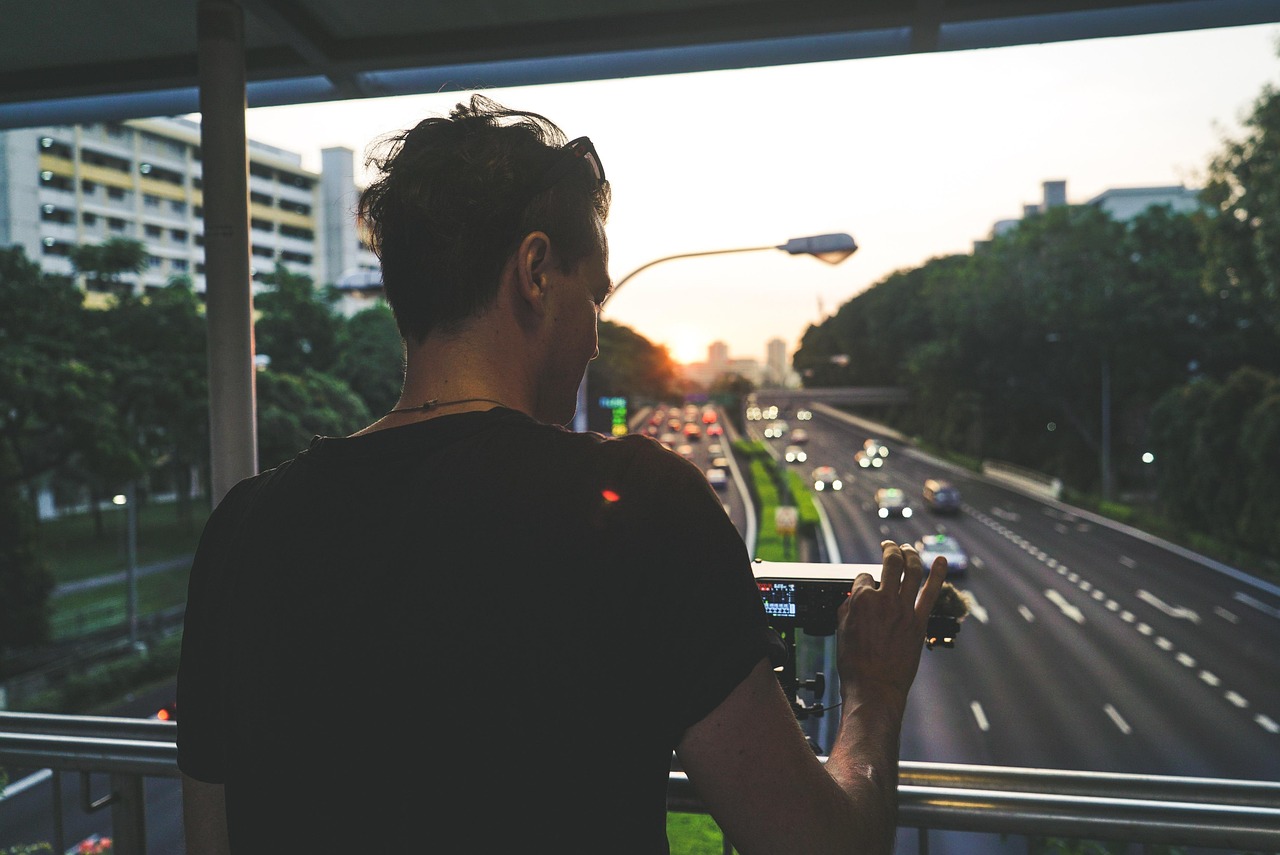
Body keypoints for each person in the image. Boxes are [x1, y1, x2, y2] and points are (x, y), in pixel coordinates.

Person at [176, 93, 946, 854]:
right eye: (595, 295)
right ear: (537, 271)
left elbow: (211, 835)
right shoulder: (645, 506)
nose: (595, 338)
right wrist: (875, 693)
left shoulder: (243, 525)